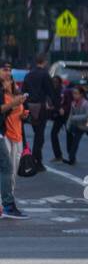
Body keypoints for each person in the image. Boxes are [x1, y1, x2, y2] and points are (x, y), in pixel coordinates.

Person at [0, 64, 29, 217]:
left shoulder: (16, 95)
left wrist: (23, 113)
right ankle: (7, 204)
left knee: (10, 170)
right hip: (5, 135)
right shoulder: (4, 95)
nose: (8, 74)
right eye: (5, 70)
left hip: (16, 135)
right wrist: (13, 103)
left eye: (10, 72)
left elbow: (17, 112)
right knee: (6, 169)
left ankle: (8, 201)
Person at [22, 53, 52, 173]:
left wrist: (25, 106)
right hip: (41, 107)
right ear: (44, 62)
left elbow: (24, 91)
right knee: (39, 136)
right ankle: (36, 160)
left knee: (36, 133)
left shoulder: (29, 75)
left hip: (30, 107)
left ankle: (33, 159)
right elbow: (51, 91)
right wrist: (57, 105)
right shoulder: (45, 74)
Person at [65, 84, 88, 165]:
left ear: (81, 94)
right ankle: (71, 159)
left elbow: (87, 116)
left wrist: (74, 118)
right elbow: (70, 115)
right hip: (80, 126)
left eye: (76, 93)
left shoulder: (86, 103)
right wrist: (68, 124)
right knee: (75, 142)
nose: (74, 95)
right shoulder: (73, 103)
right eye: (73, 93)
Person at [47, 73, 72, 163]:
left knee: (69, 134)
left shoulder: (63, 91)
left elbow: (68, 104)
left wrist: (63, 109)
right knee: (53, 134)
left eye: (56, 82)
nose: (54, 84)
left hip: (66, 115)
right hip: (58, 115)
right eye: (53, 82)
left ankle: (71, 155)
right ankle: (58, 155)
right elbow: (54, 103)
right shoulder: (52, 91)